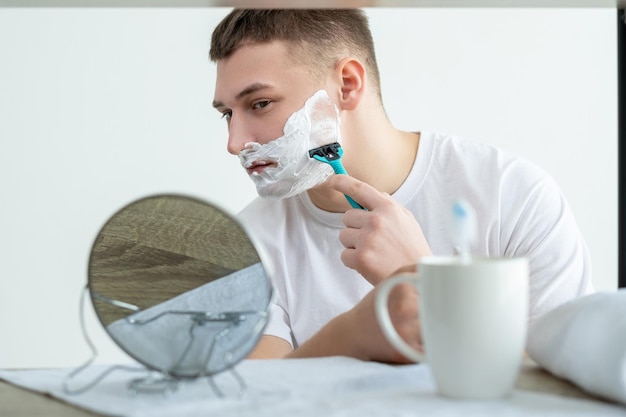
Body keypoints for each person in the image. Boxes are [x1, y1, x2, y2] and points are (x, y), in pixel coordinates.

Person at [209, 9, 593, 363]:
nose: (235, 143)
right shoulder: (241, 245)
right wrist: (352, 333)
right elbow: (259, 399)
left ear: (347, 84)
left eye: (259, 104)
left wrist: (421, 278)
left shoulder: (512, 195)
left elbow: (564, 385)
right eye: (227, 113)